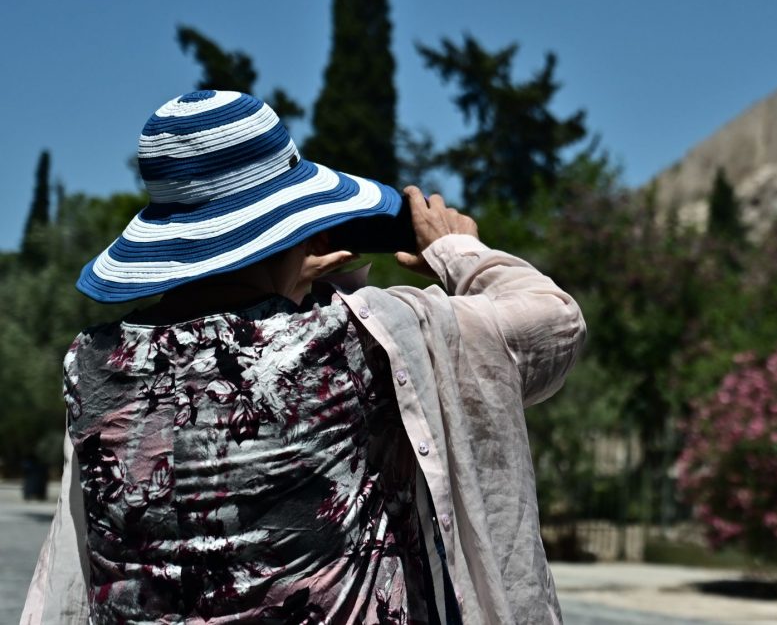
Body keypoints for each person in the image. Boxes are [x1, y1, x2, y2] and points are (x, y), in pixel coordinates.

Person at [21, 90, 585, 624]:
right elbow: (554, 325)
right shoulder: (352, 342)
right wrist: (457, 249)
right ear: (289, 225)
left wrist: (283, 283)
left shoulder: (92, 363)